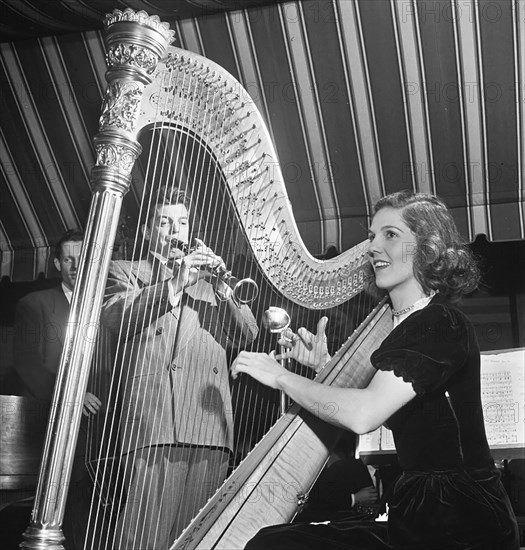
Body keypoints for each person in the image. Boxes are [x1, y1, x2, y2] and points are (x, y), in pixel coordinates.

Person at [232, 191, 520, 550]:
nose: (372, 247)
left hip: (461, 522)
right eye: (372, 236)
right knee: (272, 541)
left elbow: (364, 413)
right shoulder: (404, 325)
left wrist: (280, 376)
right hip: (420, 512)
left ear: (427, 249)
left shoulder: (439, 322)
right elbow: (413, 410)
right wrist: (323, 366)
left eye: (391, 234)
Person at [100, 185, 258, 549]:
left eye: (182, 222)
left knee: (200, 540)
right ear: (147, 231)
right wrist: (174, 283)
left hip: (211, 426)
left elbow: (247, 335)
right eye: (164, 222)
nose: (175, 230)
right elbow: (114, 318)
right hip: (157, 421)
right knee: (145, 539)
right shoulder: (126, 270)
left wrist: (223, 287)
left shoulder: (211, 281)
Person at [13, 229, 102, 550]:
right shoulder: (34, 304)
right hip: (56, 436)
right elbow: (27, 364)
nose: (76, 266)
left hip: (105, 437)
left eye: (83, 259)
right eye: (69, 259)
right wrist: (72, 395)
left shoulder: (111, 305)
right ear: (56, 264)